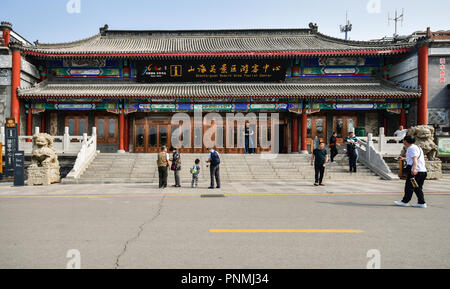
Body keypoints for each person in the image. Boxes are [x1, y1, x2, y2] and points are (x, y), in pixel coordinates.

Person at [395, 135, 428, 208]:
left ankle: (405, 202)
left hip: (416, 171)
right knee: (417, 187)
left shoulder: (411, 148)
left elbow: (415, 159)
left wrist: (414, 169)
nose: (403, 141)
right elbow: (413, 158)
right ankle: (421, 202)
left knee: (409, 186)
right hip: (422, 171)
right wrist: (403, 159)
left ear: (406, 141)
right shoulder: (417, 147)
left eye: (403, 140)